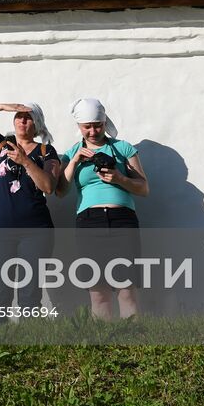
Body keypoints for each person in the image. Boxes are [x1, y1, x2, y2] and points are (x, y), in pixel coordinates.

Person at [0, 101, 62, 327]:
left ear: (36, 123)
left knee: (30, 296)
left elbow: (48, 186)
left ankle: (31, 350)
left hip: (36, 232)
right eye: (18, 116)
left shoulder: (46, 152)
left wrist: (25, 161)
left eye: (27, 117)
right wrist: (2, 106)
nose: (22, 120)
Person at [58, 97, 148, 319]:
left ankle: (134, 344)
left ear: (104, 121)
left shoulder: (122, 148)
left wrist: (119, 178)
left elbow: (143, 188)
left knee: (126, 290)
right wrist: (74, 161)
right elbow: (60, 191)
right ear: (79, 126)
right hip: (89, 221)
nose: (92, 131)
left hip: (122, 219)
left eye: (97, 125)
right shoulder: (72, 153)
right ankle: (104, 345)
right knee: (98, 293)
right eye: (86, 127)